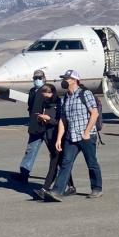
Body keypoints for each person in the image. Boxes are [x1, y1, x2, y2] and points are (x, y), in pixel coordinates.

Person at [40, 69, 103, 201]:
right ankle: (57, 191)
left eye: (67, 79)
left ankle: (97, 188)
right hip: (70, 137)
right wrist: (59, 139)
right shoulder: (65, 98)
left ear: (75, 80)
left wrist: (86, 132)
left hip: (86, 136)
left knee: (91, 163)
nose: (64, 81)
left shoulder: (86, 94)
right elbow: (63, 120)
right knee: (65, 163)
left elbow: (94, 114)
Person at [36, 83, 75, 194]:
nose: (44, 97)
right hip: (48, 137)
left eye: (46, 95)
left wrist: (48, 119)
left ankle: (45, 188)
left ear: (51, 93)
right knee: (61, 163)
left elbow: (60, 122)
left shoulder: (59, 103)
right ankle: (71, 187)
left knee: (54, 163)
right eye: (43, 95)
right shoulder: (45, 103)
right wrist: (40, 119)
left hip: (58, 137)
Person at [16, 69, 47, 182]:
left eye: (39, 78)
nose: (37, 80)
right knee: (30, 150)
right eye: (35, 78)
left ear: (44, 78)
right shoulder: (32, 91)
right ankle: (24, 174)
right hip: (35, 127)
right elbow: (30, 108)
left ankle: (64, 179)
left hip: (47, 127)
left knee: (55, 153)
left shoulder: (48, 90)